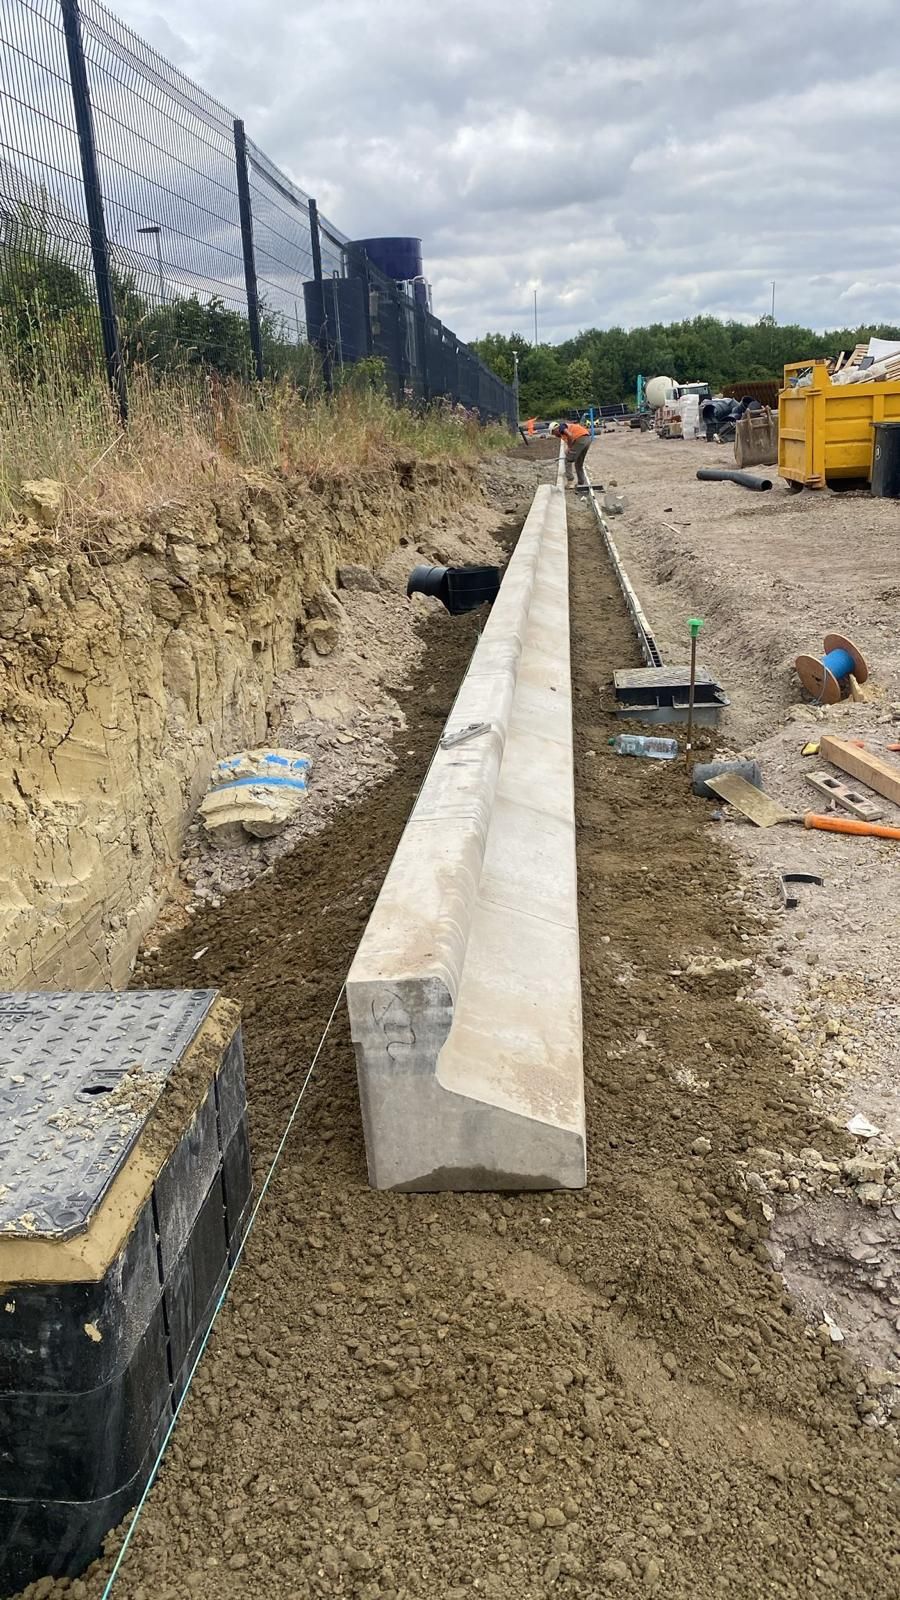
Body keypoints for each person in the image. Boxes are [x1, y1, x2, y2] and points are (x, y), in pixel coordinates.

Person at [552, 419, 592, 487]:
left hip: (580, 439)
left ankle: (570, 482)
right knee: (578, 464)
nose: (555, 435)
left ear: (555, 429)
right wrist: (569, 448)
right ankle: (581, 483)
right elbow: (570, 439)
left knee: (568, 460)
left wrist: (569, 448)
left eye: (554, 433)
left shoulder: (561, 427)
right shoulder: (564, 432)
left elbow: (570, 435)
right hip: (587, 439)